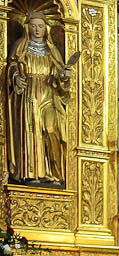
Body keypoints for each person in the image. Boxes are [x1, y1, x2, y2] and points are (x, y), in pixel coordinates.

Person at [7, 13, 73, 184]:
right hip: (29, 94)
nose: (37, 29)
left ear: (46, 29)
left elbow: (59, 74)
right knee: (32, 128)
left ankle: (55, 173)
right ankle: (32, 173)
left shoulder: (52, 50)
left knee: (51, 130)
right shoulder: (21, 45)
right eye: (33, 26)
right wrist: (15, 76)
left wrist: (64, 76)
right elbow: (12, 65)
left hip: (48, 93)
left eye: (41, 26)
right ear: (28, 27)